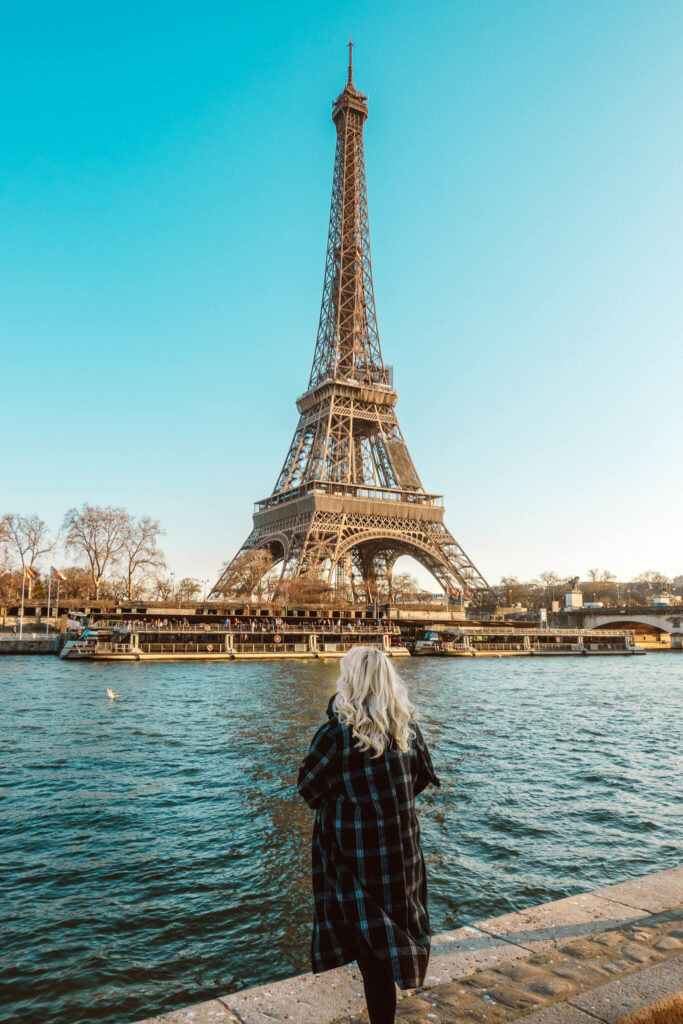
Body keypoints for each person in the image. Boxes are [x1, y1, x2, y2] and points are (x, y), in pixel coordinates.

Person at [297, 647, 440, 1024]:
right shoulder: (408, 729)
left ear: (349, 682)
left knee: (372, 959)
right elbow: (421, 780)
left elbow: (309, 789)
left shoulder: (336, 736)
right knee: (391, 944)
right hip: (402, 859)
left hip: (358, 863)